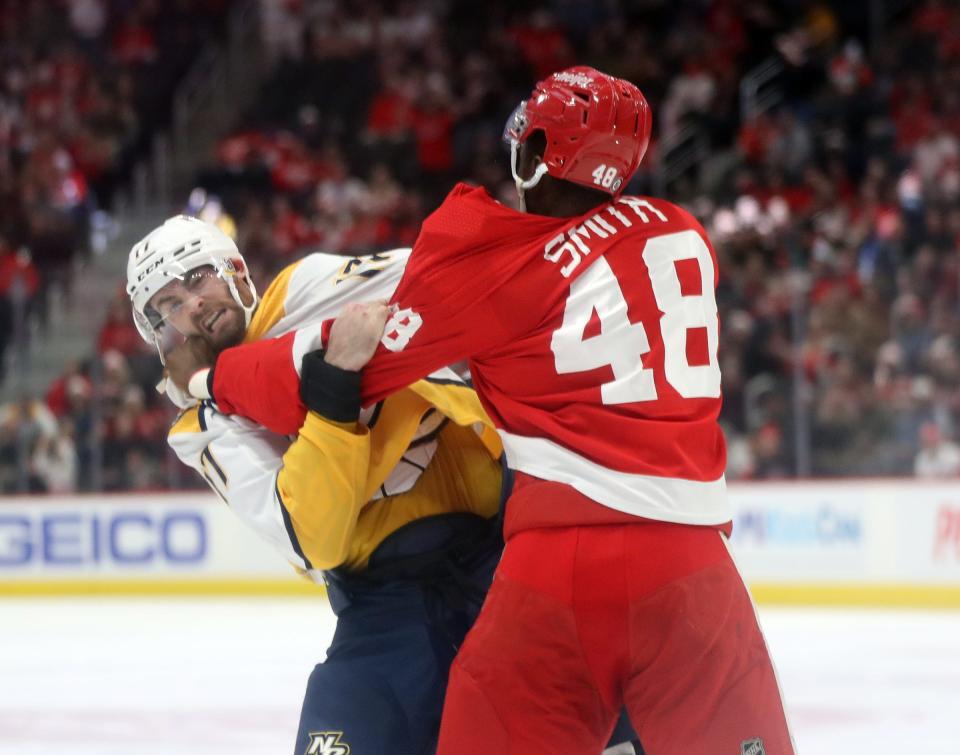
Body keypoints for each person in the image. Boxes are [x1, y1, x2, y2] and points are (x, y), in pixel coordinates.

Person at [179, 67, 795, 754]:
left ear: (533, 154)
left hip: (559, 563)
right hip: (695, 562)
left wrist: (213, 376)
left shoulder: (505, 265)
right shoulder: (683, 232)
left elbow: (338, 371)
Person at [126, 216, 642, 755]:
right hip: (384, 609)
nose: (190, 306)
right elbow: (309, 539)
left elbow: (445, 279)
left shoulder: (305, 289)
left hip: (503, 560)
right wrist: (338, 390)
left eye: (198, 278)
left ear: (235, 270)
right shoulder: (199, 428)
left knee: (614, 733)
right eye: (166, 305)